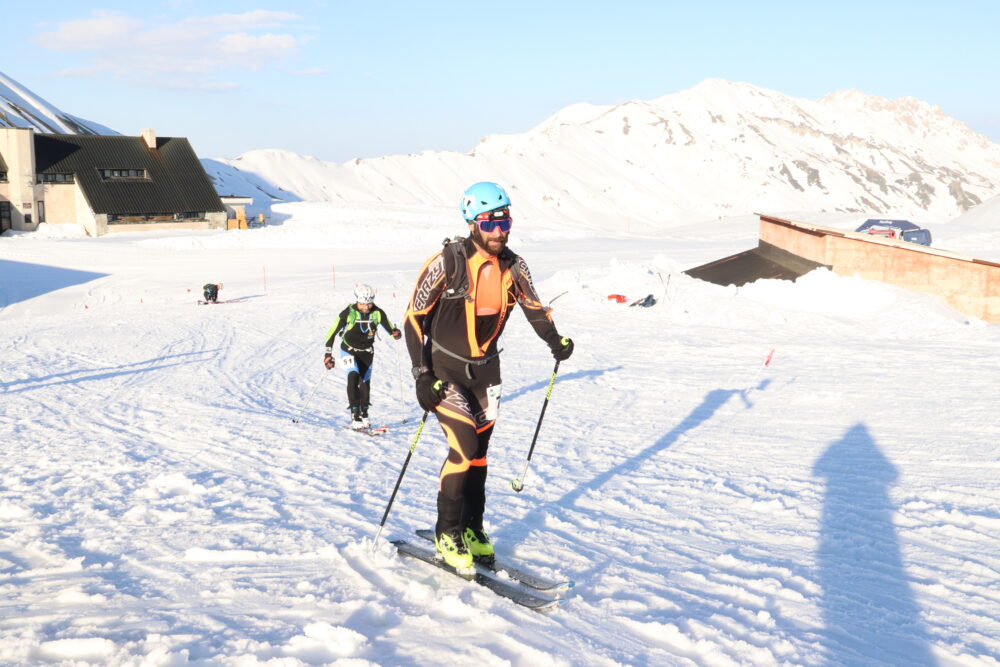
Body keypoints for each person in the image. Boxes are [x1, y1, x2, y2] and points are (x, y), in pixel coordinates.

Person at [403, 181, 574, 569]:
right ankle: (447, 532)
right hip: (445, 371)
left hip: (487, 373)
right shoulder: (446, 262)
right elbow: (413, 318)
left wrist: (555, 340)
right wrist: (421, 375)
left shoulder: (514, 265)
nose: (499, 231)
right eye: (489, 223)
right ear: (472, 224)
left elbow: (534, 308)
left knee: (479, 454)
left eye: (504, 222)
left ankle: (472, 528)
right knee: (463, 448)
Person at [323, 284, 402, 429]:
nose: (366, 307)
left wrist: (395, 333)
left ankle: (364, 413)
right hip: (349, 350)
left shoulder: (377, 313)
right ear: (357, 301)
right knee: (353, 376)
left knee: (365, 384)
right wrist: (328, 354)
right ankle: (355, 415)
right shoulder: (348, 313)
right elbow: (332, 332)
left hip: (367, 353)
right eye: (362, 304)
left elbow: (390, 328)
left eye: (369, 304)